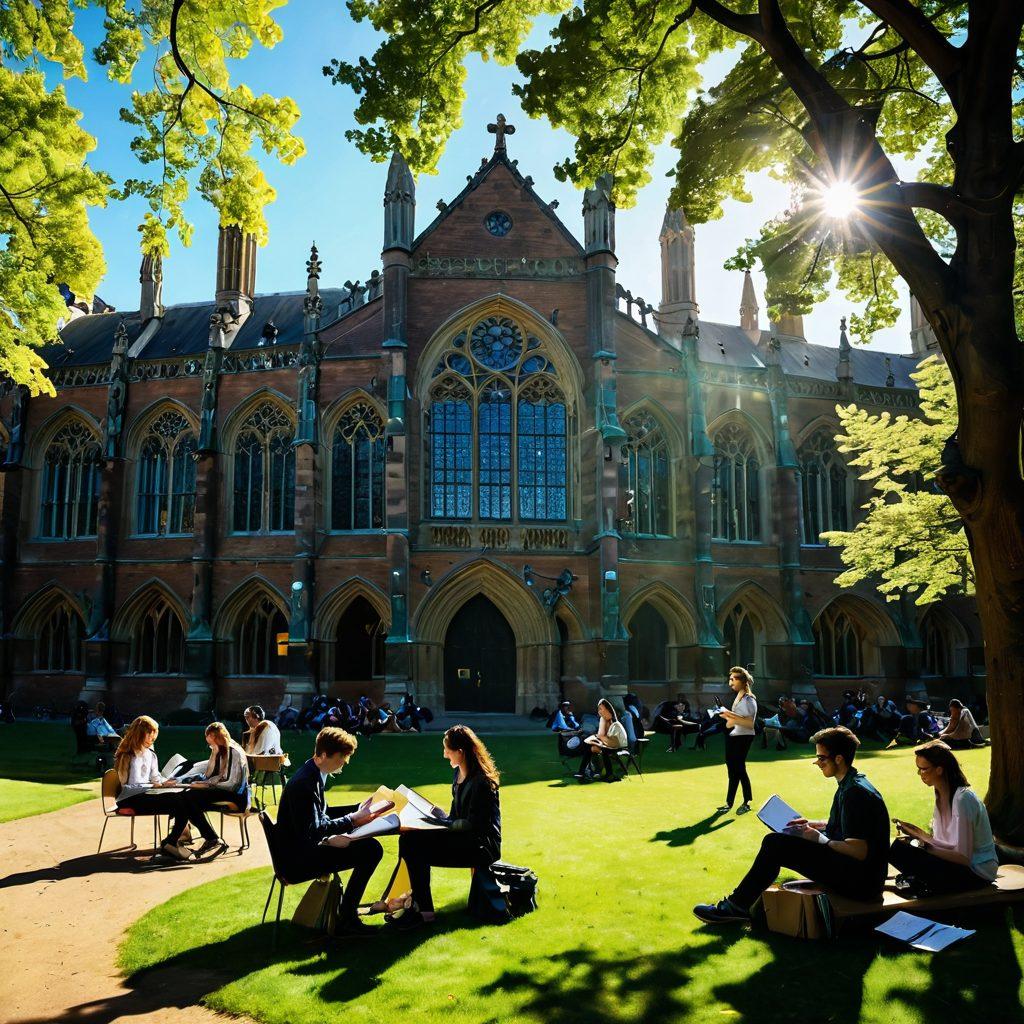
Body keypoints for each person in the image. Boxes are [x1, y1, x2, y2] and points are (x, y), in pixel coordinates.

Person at [694, 726, 891, 924]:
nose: (817, 762)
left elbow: (858, 851)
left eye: (821, 758)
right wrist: (813, 824)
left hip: (861, 884)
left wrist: (819, 839)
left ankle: (736, 906)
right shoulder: (852, 783)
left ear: (838, 758)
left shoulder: (854, 793)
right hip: (862, 875)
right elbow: (848, 826)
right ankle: (739, 904)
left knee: (775, 844)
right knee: (779, 841)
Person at [274, 726, 390, 935]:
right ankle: (347, 918)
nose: (344, 763)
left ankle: (347, 913)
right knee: (371, 850)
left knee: (369, 847)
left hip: (301, 850)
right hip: (297, 860)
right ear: (323, 755)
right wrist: (351, 820)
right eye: (341, 758)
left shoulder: (312, 773)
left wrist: (356, 811)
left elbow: (321, 816)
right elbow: (316, 829)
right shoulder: (305, 783)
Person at [396, 725, 501, 927]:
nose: (445, 755)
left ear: (460, 752)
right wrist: (435, 815)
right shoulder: (459, 774)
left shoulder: (482, 783)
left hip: (481, 847)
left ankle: (422, 910)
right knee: (409, 839)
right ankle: (416, 905)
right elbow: (455, 817)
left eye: (447, 750)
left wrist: (436, 823)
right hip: (464, 838)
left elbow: (473, 825)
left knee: (412, 844)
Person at [889, 740, 997, 894]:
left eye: (924, 769)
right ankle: (923, 883)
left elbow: (963, 858)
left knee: (901, 852)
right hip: (958, 867)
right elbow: (947, 845)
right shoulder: (940, 795)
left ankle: (925, 884)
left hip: (977, 872)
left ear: (939, 769)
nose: (920, 774)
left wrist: (924, 846)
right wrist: (919, 834)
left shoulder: (963, 799)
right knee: (899, 848)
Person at [113, 715, 222, 861]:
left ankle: (181, 841)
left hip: (146, 794)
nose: (153, 737)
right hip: (130, 798)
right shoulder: (128, 754)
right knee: (180, 801)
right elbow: (128, 785)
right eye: (149, 733)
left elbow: (156, 778)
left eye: (154, 734)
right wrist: (154, 785)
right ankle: (177, 842)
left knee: (185, 798)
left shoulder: (150, 754)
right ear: (140, 733)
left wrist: (167, 782)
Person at [182, 722, 250, 859]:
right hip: (226, 791)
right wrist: (214, 753)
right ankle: (202, 837)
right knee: (185, 798)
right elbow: (208, 774)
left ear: (215, 736)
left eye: (210, 741)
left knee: (189, 798)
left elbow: (231, 784)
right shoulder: (222, 750)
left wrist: (206, 785)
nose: (209, 744)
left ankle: (210, 839)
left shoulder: (233, 751)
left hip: (236, 796)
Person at [716, 667, 758, 815]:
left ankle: (747, 801)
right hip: (733, 735)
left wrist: (727, 713)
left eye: (733, 679)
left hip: (744, 736)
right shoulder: (739, 697)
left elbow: (749, 722)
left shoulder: (749, 699)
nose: (730, 682)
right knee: (731, 768)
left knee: (739, 768)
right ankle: (729, 803)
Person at [574, 698, 627, 783]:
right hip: (609, 745)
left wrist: (599, 739)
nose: (599, 712)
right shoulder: (604, 720)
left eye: (601, 709)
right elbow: (601, 735)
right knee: (590, 747)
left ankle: (607, 774)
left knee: (602, 750)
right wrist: (602, 721)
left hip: (618, 746)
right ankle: (584, 772)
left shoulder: (615, 724)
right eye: (598, 709)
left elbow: (614, 742)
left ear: (608, 709)